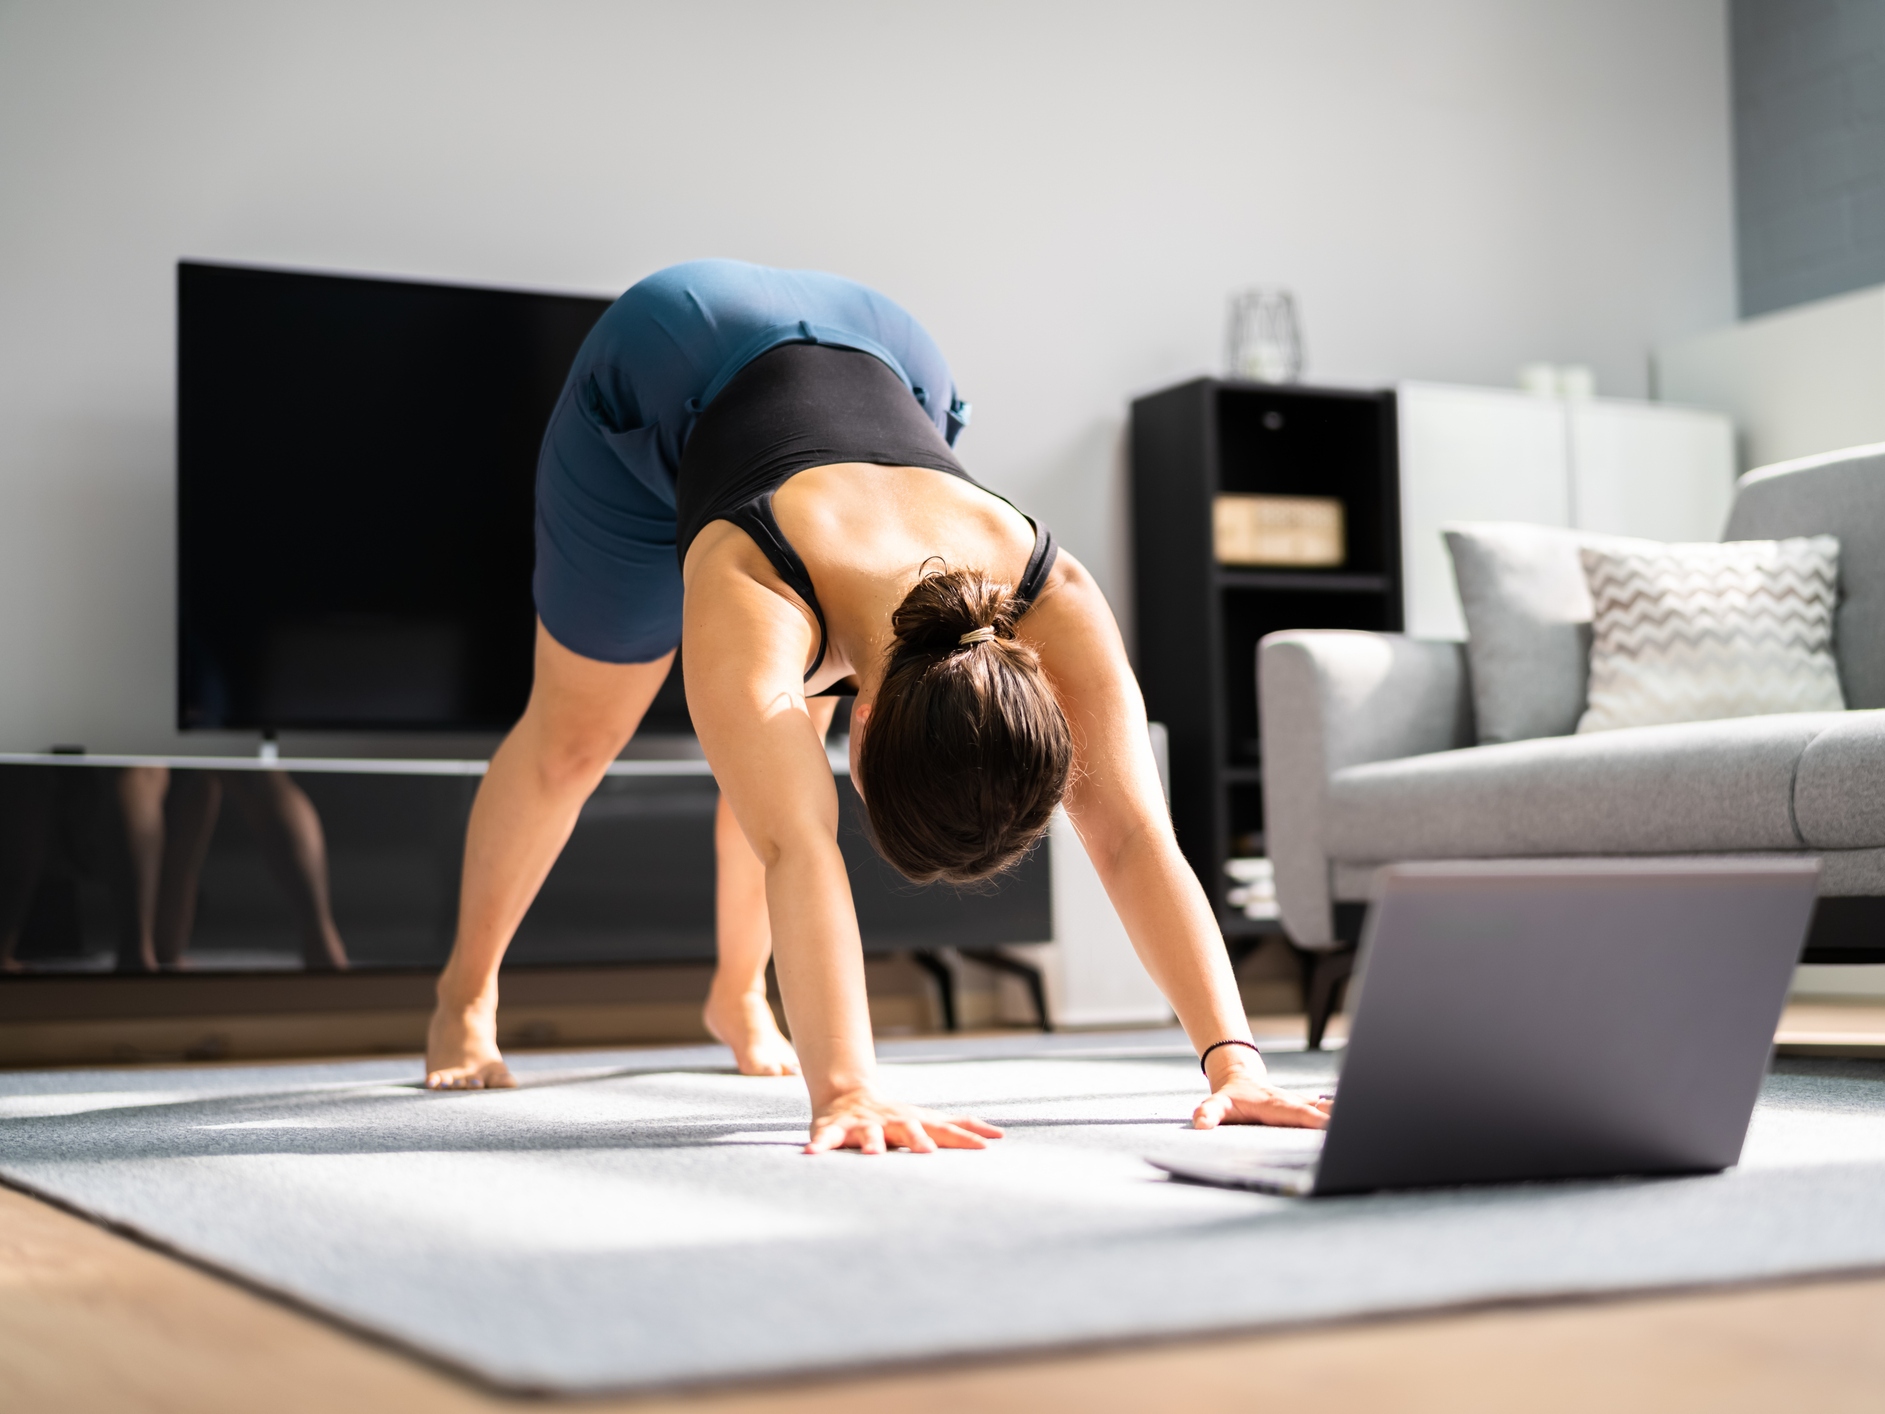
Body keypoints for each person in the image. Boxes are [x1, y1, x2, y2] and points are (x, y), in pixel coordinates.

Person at [423, 260, 1330, 1151]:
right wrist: (847, 1090)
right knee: (578, 737)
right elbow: (797, 844)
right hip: (669, 353)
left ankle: (738, 997)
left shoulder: (1056, 595)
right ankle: (463, 999)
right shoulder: (752, 580)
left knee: (767, 755)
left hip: (886, 345)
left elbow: (1132, 834)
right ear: (861, 728)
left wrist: (1236, 1065)